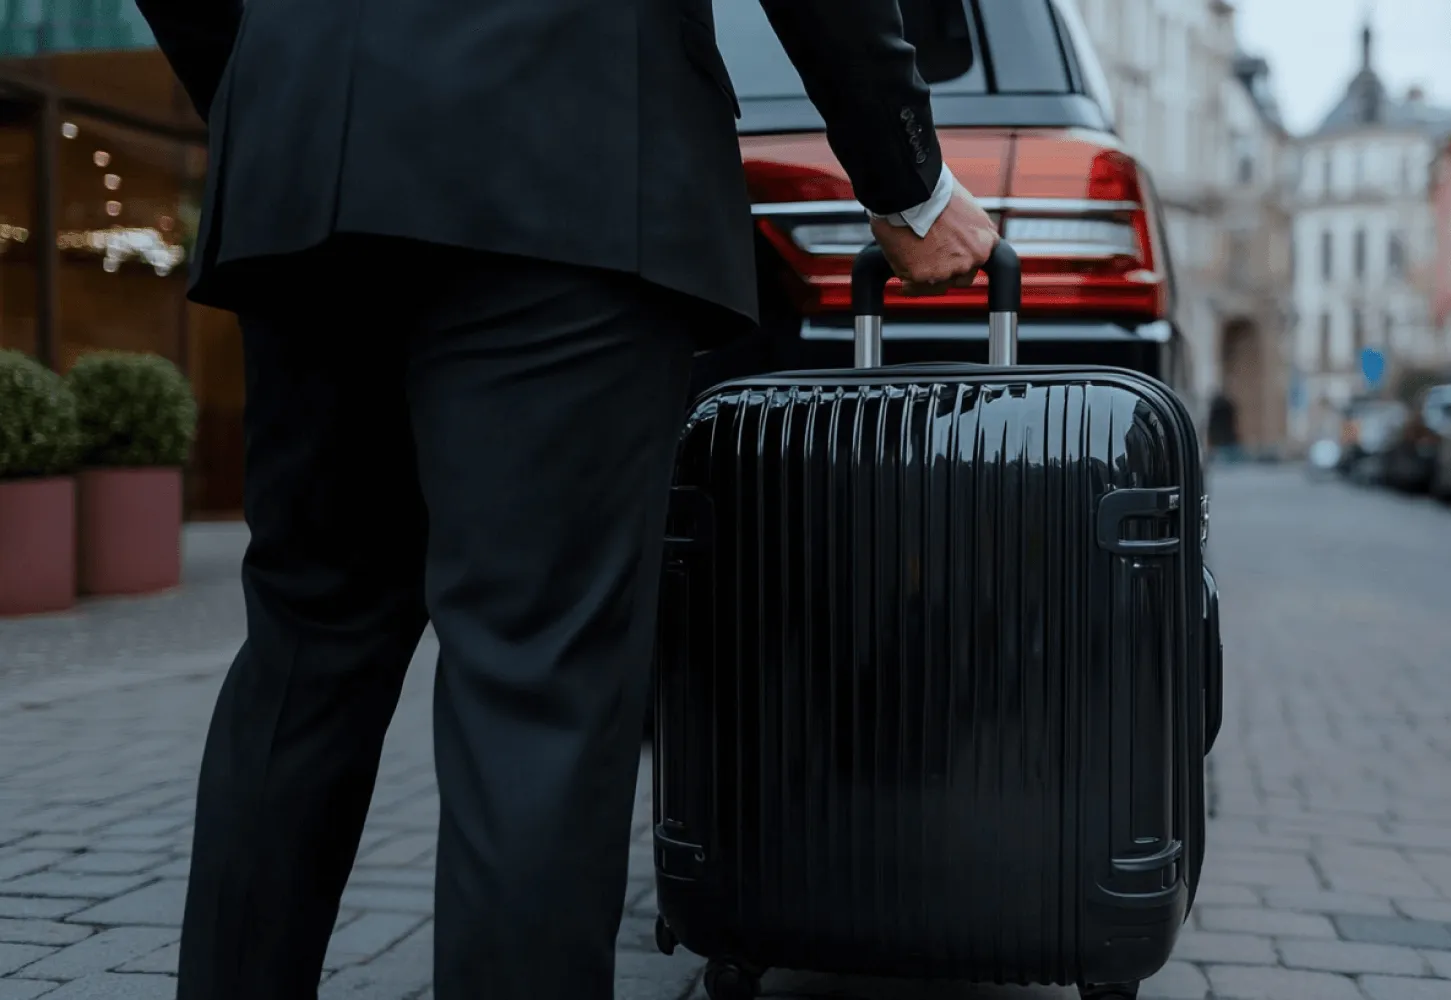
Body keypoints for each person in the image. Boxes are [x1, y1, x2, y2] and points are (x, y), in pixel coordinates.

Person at [126, 0, 1002, 997]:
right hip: (569, 150)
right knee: (532, 670)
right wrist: (907, 184)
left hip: (304, 162)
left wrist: (284, 74)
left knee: (306, 646)